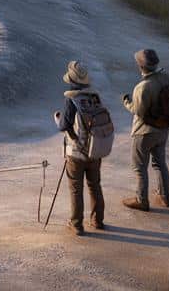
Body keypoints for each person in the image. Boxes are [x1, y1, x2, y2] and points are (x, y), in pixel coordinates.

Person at [54, 60, 106, 235]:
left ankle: (76, 224)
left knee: (76, 188)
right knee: (95, 185)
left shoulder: (71, 99)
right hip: (95, 149)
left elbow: (63, 126)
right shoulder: (95, 97)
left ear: (71, 81)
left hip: (76, 152)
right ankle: (97, 221)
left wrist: (57, 117)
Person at [121, 48, 169, 211]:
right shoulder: (166, 78)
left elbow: (138, 110)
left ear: (141, 67)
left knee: (139, 168)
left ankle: (141, 199)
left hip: (144, 133)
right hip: (162, 129)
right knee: (160, 164)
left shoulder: (142, 87)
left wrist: (126, 102)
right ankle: (165, 197)